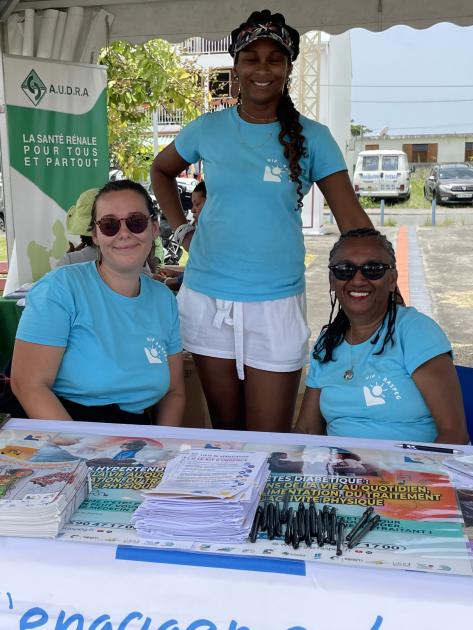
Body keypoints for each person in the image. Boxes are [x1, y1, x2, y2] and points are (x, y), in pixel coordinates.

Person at [150, 10, 371, 432]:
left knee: (269, 438)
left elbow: (352, 221)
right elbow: (160, 171)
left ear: (288, 68)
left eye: (275, 59)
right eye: (251, 58)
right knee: (228, 432)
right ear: (236, 67)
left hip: (275, 302)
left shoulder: (314, 137)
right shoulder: (208, 129)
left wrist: (380, 277)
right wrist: (182, 231)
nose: (262, 69)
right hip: (207, 297)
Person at [6, 179, 186, 425]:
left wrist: (164, 448)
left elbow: (174, 392)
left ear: (154, 228)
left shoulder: (164, 300)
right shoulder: (61, 287)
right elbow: (28, 385)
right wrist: (79, 450)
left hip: (135, 439)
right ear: (96, 235)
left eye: (136, 221)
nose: (124, 233)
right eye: (109, 224)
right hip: (62, 430)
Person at [295, 228, 468, 444]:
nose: (358, 279)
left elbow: (454, 434)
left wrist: (416, 477)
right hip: (342, 472)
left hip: (410, 471)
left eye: (373, 269)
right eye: (344, 269)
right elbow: (307, 430)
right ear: (332, 280)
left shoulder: (416, 331)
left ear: (392, 279)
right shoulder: (327, 343)